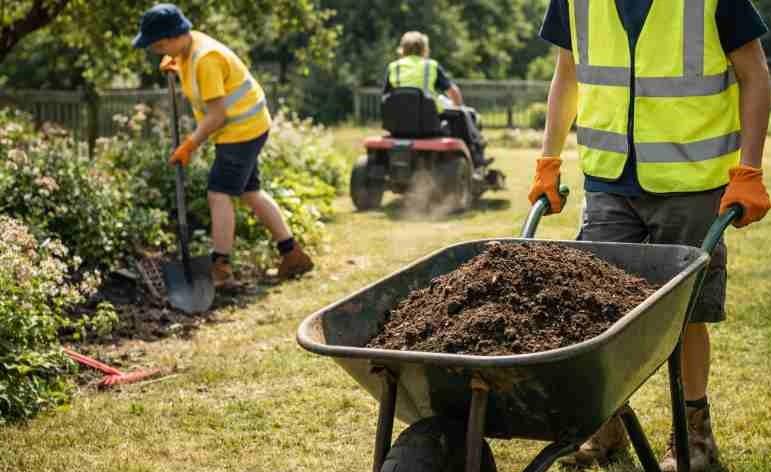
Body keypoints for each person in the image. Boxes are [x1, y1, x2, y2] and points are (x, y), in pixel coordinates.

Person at [530, 1, 771, 470]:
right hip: (607, 179)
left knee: (685, 313)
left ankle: (694, 437)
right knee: (596, 308)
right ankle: (606, 425)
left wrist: (748, 170)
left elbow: (756, 73)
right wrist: (549, 158)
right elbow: (567, 74)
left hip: (690, 180)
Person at [132, 4, 313, 288]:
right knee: (251, 192)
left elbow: (218, 116)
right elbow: (193, 70)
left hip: (240, 131)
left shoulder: (206, 59)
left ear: (172, 36)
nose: (156, 50)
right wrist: (176, 64)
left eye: (158, 44)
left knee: (218, 194)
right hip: (248, 126)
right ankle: (292, 253)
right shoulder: (188, 48)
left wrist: (189, 145)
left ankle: (221, 267)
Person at [383, 31, 490, 168]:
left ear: (402, 49)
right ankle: (476, 157)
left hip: (397, 125)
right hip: (428, 122)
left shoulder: (393, 67)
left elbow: (386, 96)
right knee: (463, 114)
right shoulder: (430, 66)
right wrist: (459, 107)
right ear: (424, 49)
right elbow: (453, 92)